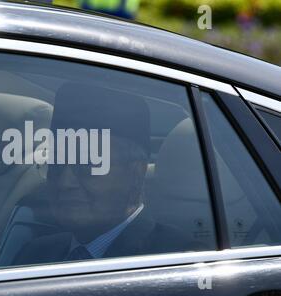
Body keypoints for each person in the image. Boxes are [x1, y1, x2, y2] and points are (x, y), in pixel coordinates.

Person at [12, 83, 193, 265]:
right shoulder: (35, 254)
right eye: (56, 165)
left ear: (136, 173)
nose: (65, 182)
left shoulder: (177, 263)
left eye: (89, 165)